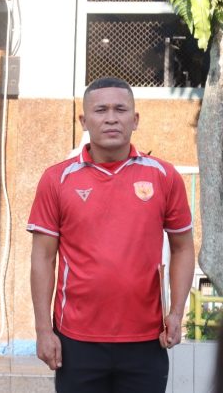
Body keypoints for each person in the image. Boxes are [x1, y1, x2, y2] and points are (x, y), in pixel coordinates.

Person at [28, 76, 195, 392]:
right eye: (100, 110)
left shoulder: (163, 176)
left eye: (120, 109)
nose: (111, 118)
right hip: (76, 339)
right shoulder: (56, 179)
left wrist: (176, 312)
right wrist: (43, 330)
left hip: (146, 340)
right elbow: (43, 257)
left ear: (135, 120)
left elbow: (184, 248)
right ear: (84, 120)